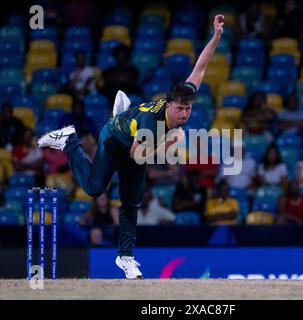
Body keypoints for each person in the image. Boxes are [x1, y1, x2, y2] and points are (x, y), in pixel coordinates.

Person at [37, 15, 225, 279]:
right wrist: (167, 143)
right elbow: (138, 154)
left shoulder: (181, 96)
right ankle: (69, 140)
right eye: (180, 108)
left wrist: (216, 36)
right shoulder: (153, 121)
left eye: (188, 108)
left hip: (137, 138)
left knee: (130, 203)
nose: (185, 113)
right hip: (115, 140)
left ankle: (126, 258)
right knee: (94, 188)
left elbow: (201, 67)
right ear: (169, 104)